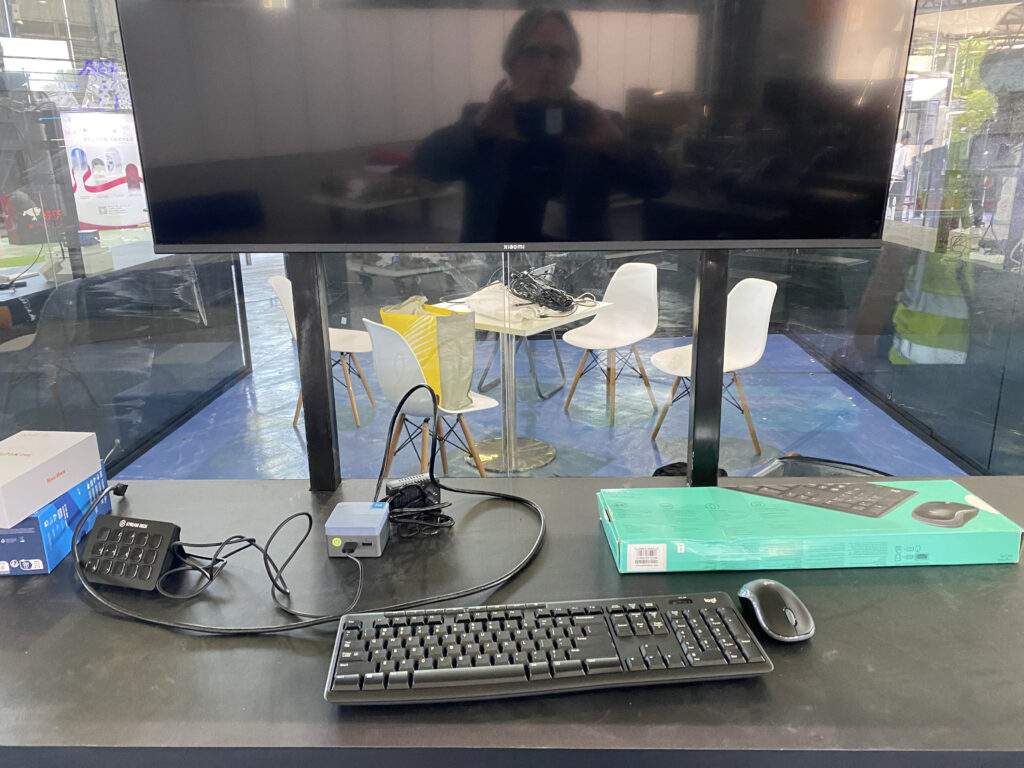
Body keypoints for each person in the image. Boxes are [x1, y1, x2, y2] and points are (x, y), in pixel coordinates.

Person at [413, 7, 670, 242]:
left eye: (557, 54)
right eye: (532, 53)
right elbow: (427, 166)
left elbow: (657, 185)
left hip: (581, 269)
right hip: (497, 266)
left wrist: (618, 147)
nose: (545, 66)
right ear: (510, 63)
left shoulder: (596, 124)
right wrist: (476, 131)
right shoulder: (485, 119)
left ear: (574, 66)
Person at [887, 131, 911, 220]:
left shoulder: (894, 147)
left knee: (889, 197)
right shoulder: (906, 150)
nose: (908, 141)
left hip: (890, 178)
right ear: (905, 139)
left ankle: (887, 216)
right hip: (899, 179)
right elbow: (908, 165)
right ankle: (896, 218)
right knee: (898, 200)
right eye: (908, 139)